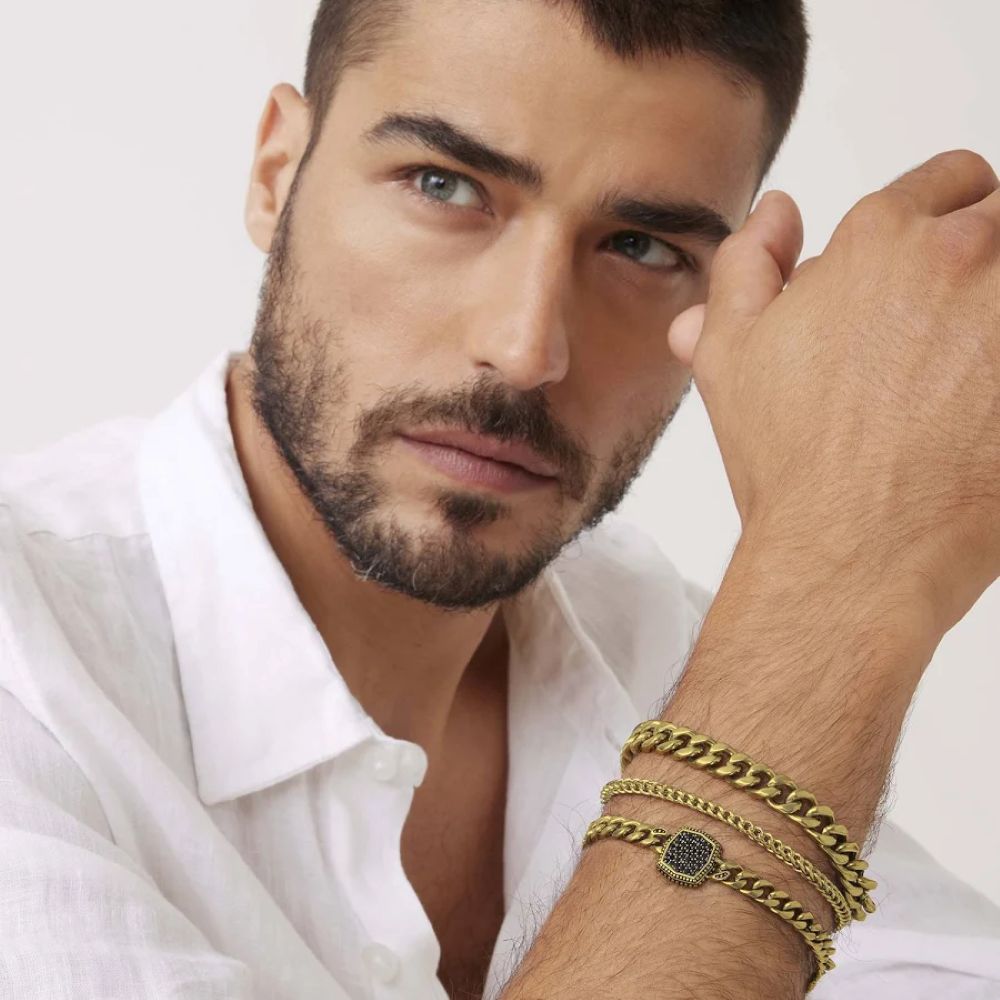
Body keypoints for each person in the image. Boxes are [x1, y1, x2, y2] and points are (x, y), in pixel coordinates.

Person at [1, 1, 998, 997]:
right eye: (444, 186)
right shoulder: (30, 663)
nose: (527, 349)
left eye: (642, 247)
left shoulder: (658, 647)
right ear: (276, 174)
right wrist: (835, 582)